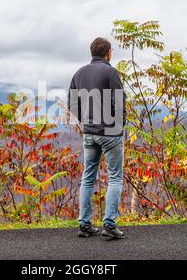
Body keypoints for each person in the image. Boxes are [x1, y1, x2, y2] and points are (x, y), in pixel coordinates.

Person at [67, 37, 126, 240]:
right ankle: (109, 224)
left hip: (90, 133)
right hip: (110, 133)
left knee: (88, 177)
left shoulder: (79, 73)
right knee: (115, 177)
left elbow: (72, 104)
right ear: (108, 52)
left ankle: (85, 224)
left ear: (92, 52)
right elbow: (119, 102)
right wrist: (118, 125)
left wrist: (86, 121)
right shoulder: (110, 72)